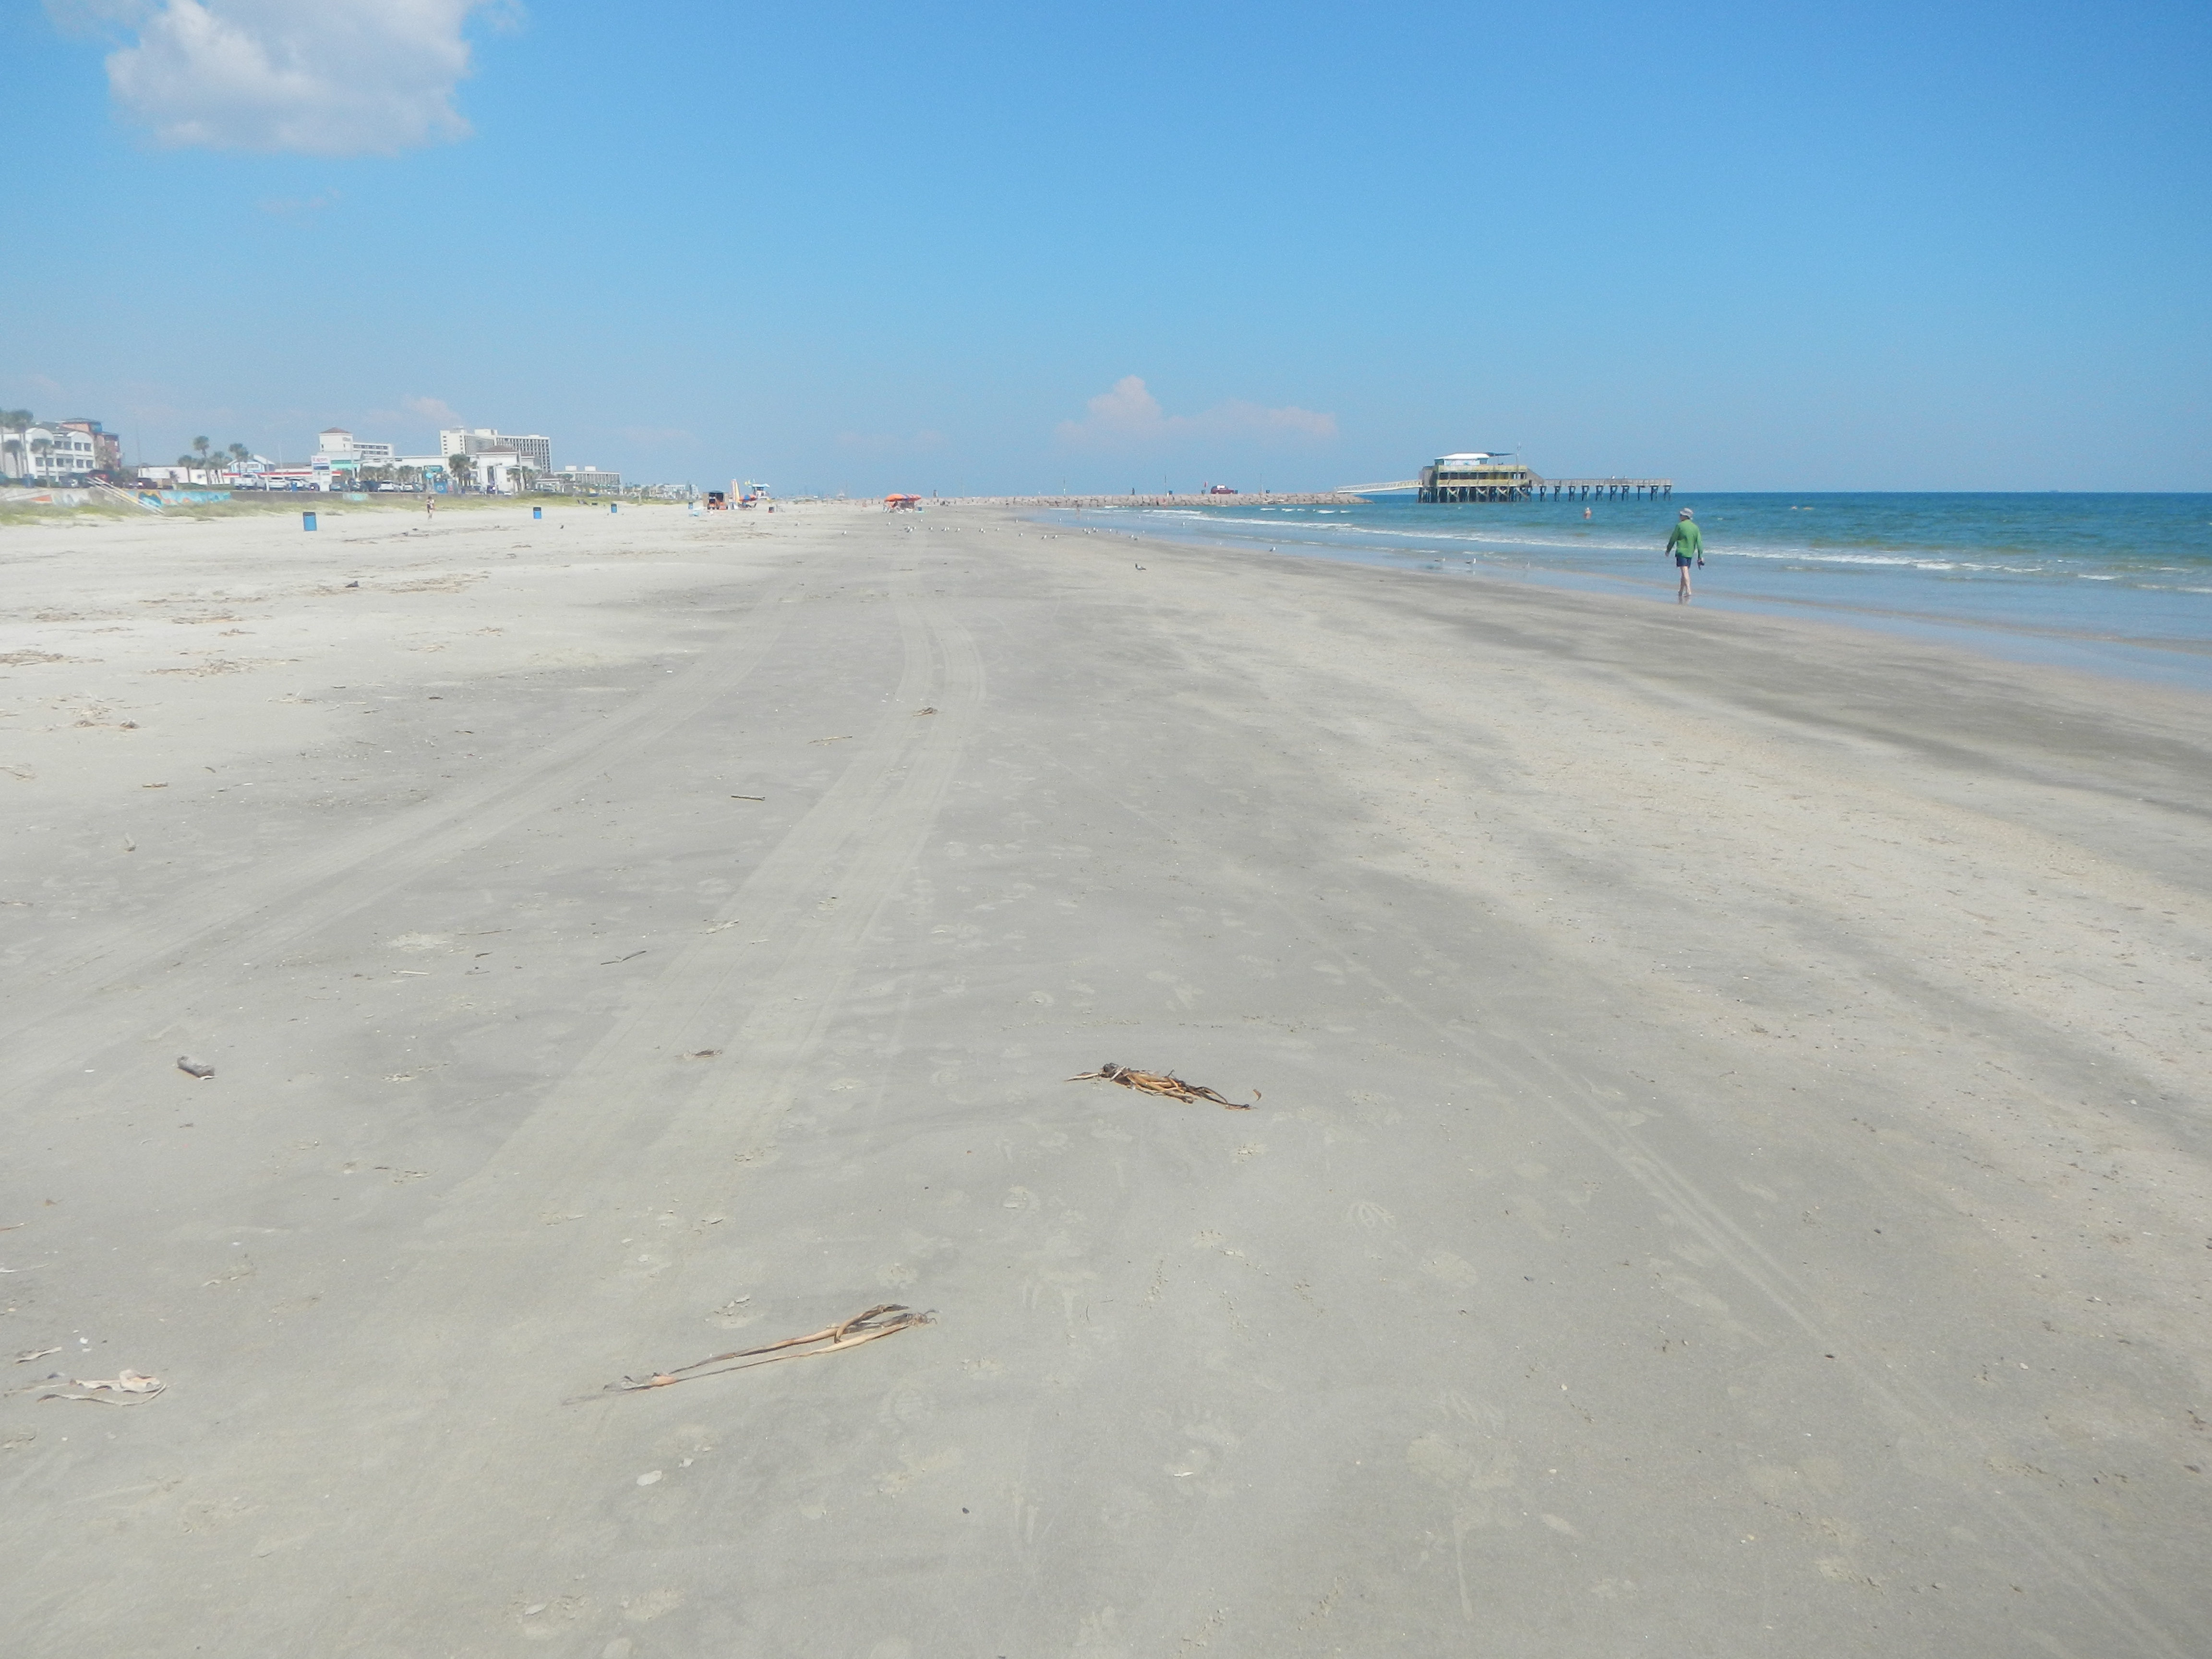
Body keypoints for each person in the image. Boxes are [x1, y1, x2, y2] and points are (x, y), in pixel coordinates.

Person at [1665, 506, 1703, 602]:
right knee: (1684, 572)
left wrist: (1668, 550)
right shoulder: (1695, 527)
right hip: (1690, 553)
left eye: (1681, 515)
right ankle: (1681, 591)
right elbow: (1699, 543)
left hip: (1682, 552)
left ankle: (1689, 590)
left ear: (1685, 517)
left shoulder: (1680, 526)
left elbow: (1673, 539)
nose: (1679, 516)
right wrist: (1700, 556)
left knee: (1685, 571)